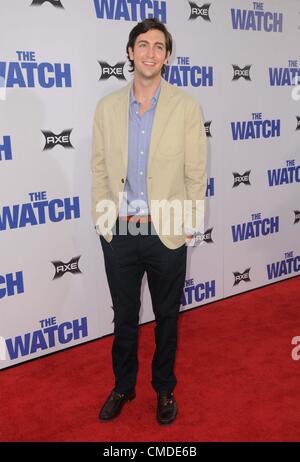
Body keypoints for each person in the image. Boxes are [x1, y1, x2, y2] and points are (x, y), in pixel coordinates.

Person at [91, 18, 207, 425]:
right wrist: (104, 220)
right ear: (130, 52)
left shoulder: (186, 106)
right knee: (123, 318)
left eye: (159, 46)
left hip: (167, 230)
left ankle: (164, 389)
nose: (150, 53)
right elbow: (100, 169)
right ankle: (123, 386)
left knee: (167, 318)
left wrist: (191, 224)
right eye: (143, 45)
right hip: (119, 231)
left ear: (168, 56)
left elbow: (197, 173)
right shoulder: (107, 107)